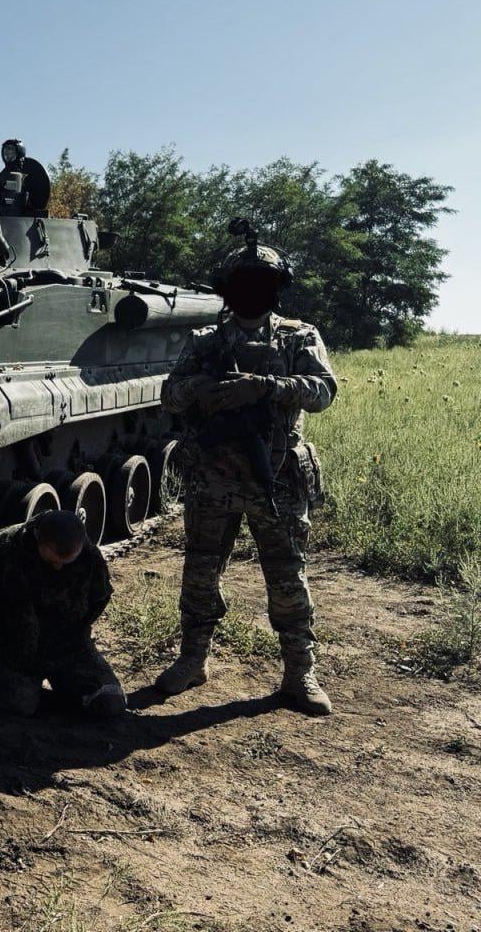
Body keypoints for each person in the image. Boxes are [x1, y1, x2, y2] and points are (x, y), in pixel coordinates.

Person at [155, 220, 337, 715]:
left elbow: (324, 391)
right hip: (212, 477)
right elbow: (170, 394)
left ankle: (300, 674)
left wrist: (267, 387)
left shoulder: (300, 337)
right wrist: (202, 391)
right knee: (200, 572)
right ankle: (192, 660)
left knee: (286, 577)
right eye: (243, 283)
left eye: (262, 283)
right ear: (229, 291)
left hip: (273, 476)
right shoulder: (206, 341)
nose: (252, 291)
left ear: (277, 288)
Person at [0, 509, 125, 718]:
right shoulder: (2, 549)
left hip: (68, 648)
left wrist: (75, 634)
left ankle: (48, 691)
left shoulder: (89, 556)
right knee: (14, 708)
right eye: (52, 559)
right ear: (38, 538)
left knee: (110, 703)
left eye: (67, 561)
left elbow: (99, 598)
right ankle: (11, 689)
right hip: (16, 652)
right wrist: (6, 641)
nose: (59, 567)